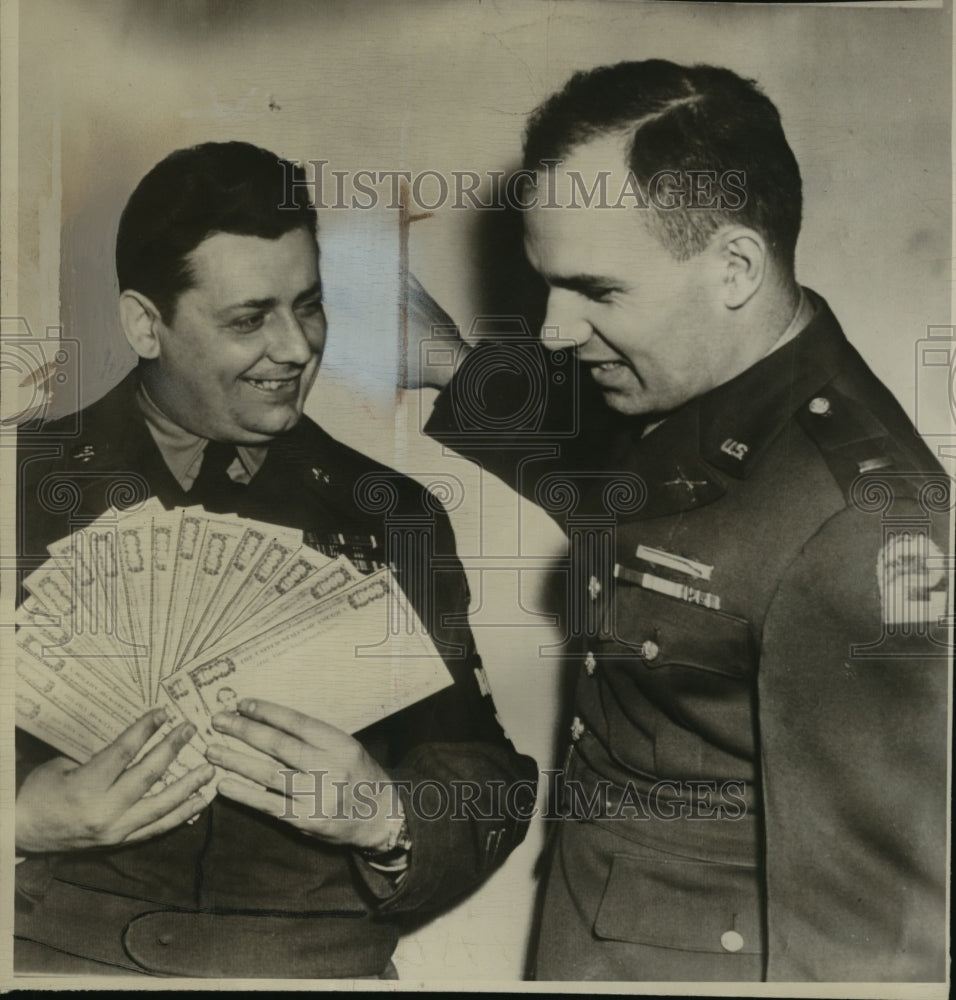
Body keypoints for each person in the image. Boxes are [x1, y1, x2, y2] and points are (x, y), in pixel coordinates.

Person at [415, 60, 950, 981]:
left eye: (597, 291)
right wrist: (438, 358)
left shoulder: (861, 528)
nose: (553, 331)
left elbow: (874, 948)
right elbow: (635, 492)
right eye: (549, 286)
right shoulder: (689, 387)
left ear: (734, 268)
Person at [14, 141, 537, 979]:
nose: (296, 349)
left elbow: (485, 772)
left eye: (309, 305)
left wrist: (389, 815)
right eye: (249, 319)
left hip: (310, 967)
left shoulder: (393, 512)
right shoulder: (18, 487)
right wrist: (19, 820)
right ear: (146, 325)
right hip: (57, 961)